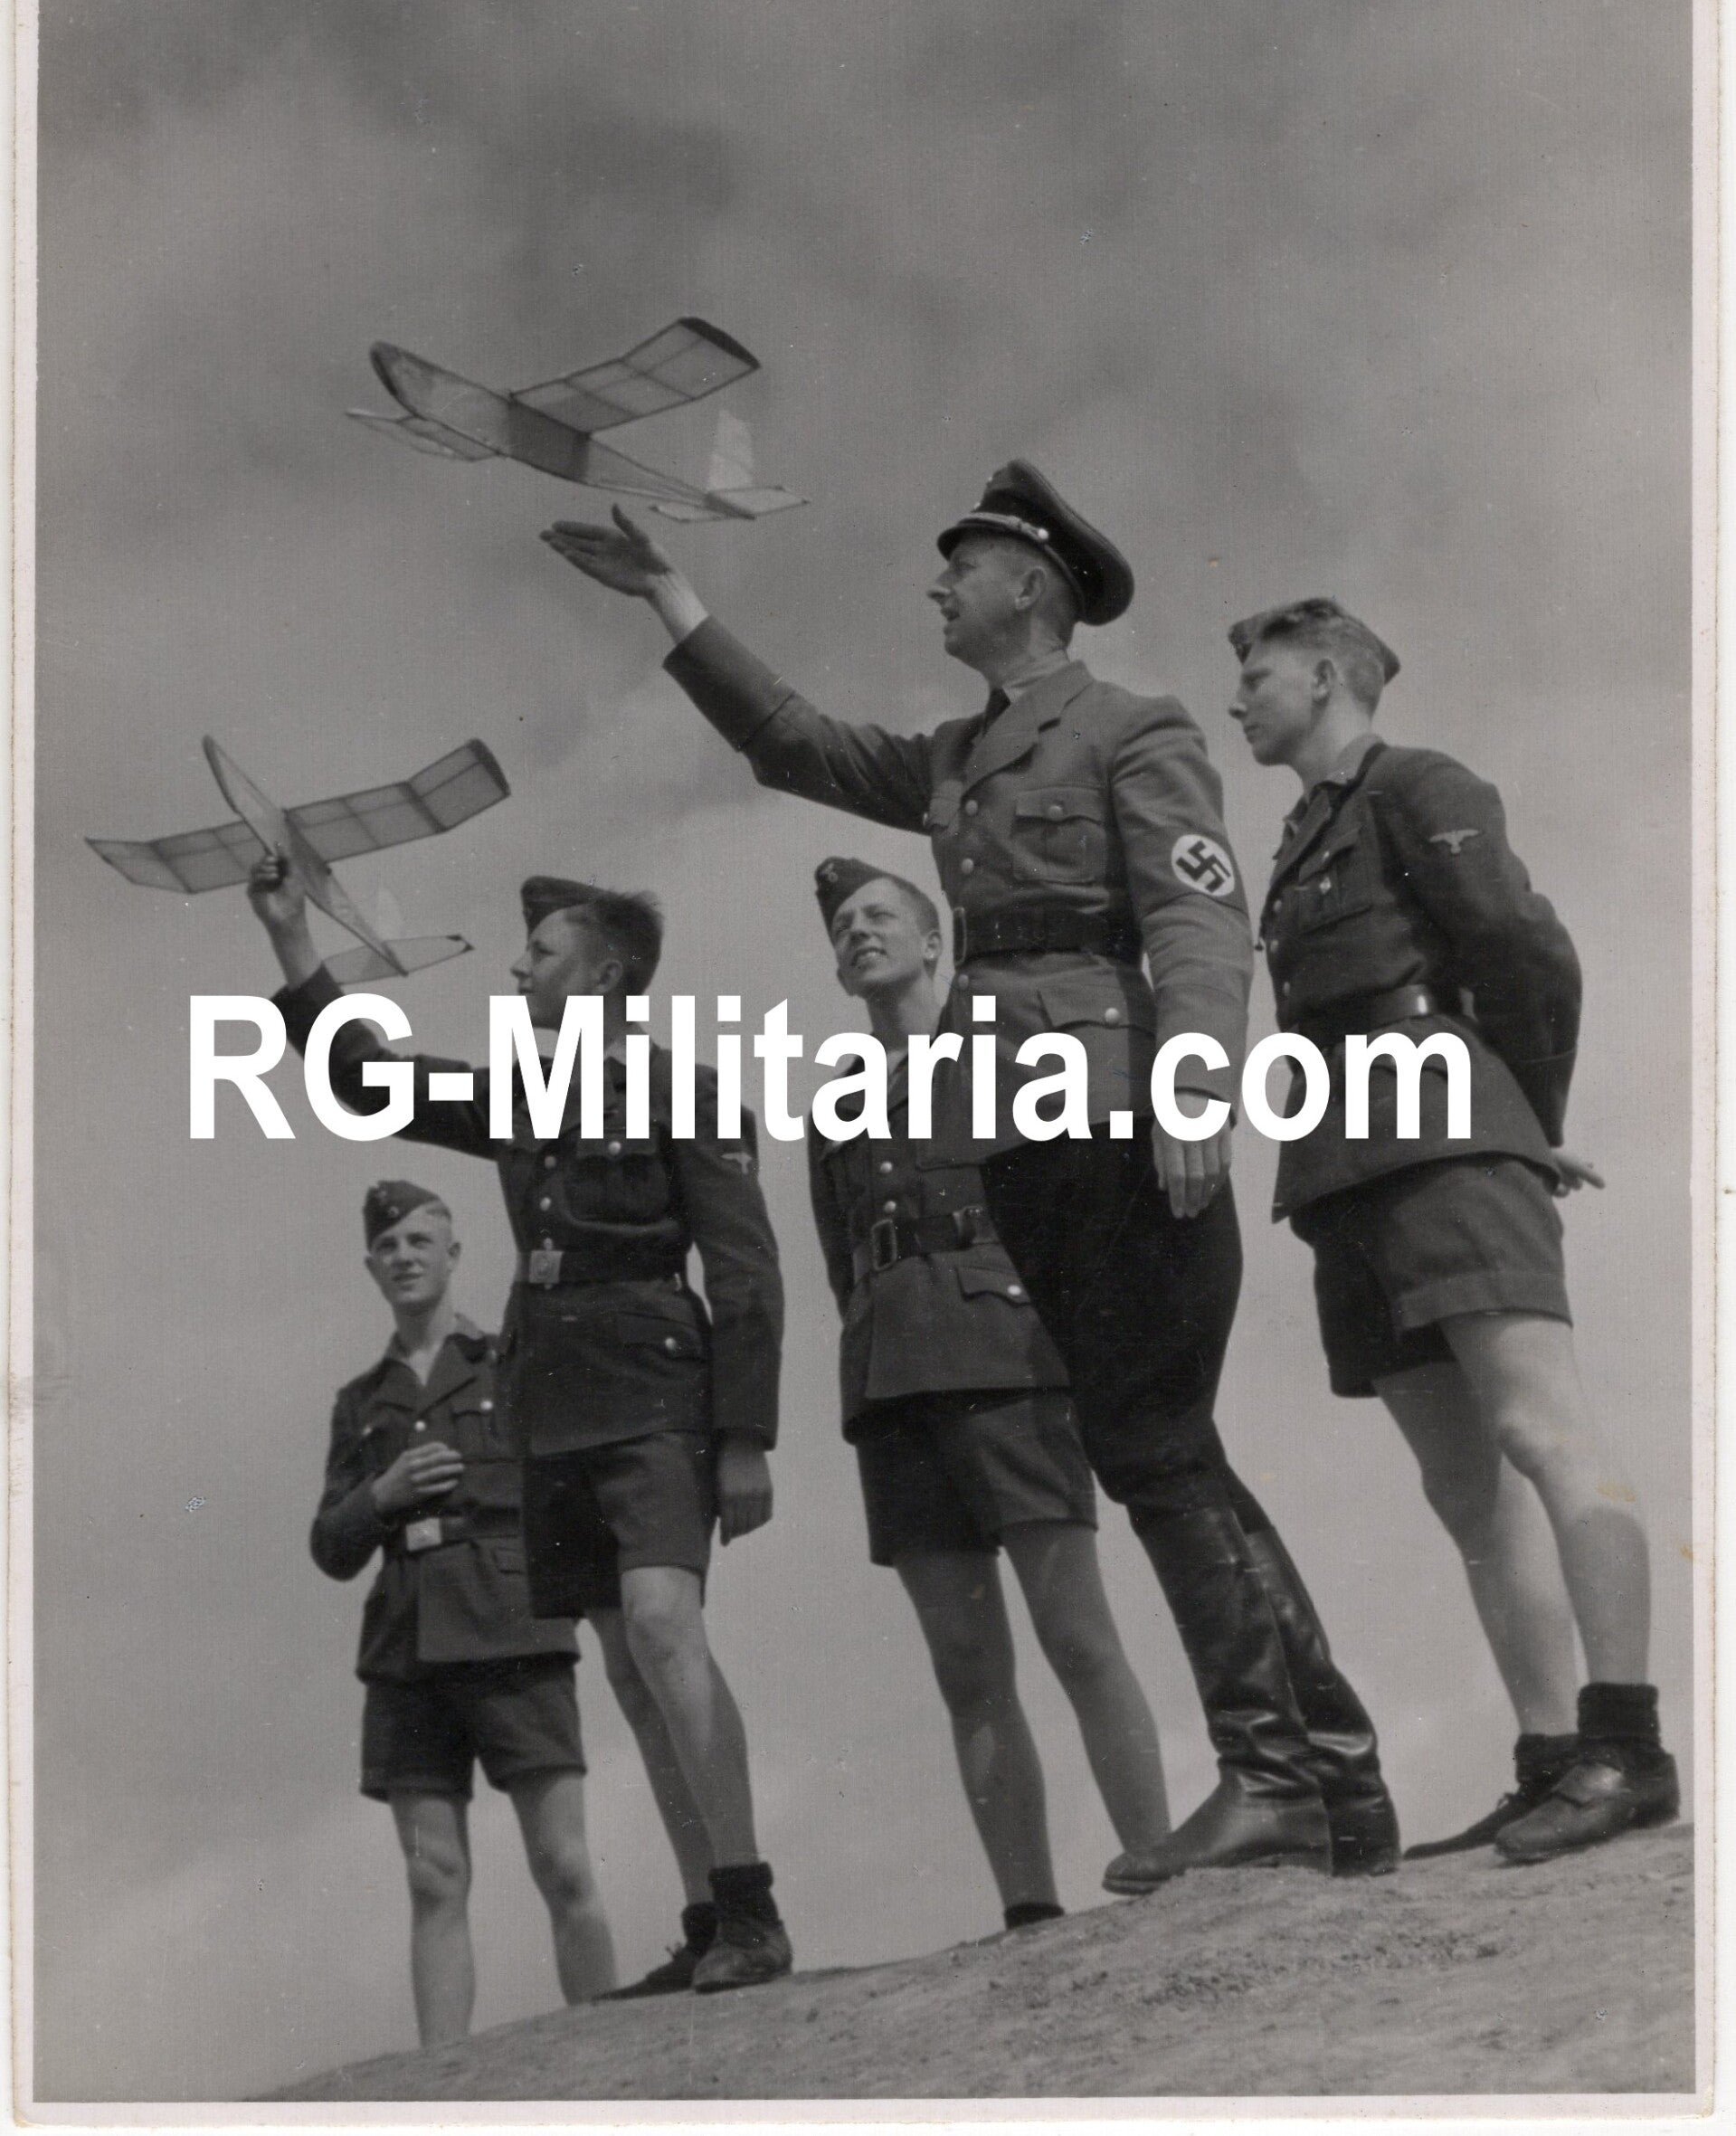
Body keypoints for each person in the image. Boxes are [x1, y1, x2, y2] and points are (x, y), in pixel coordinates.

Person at [544, 463, 1396, 1883]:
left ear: (1031, 587)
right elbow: (796, 744)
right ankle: (1330, 1773)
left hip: (1114, 1107)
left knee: (1157, 1451)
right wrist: (671, 598)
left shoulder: (1132, 726)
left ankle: (1278, 1771)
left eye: (963, 562)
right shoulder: (953, 756)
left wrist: (1192, 1080)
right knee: (1157, 1452)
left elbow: (1193, 909)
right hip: (1019, 1132)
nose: (937, 584)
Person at [253, 857, 793, 1992]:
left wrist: (744, 1436)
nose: (515, 966)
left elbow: (744, 1271)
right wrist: (292, 941)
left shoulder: (687, 1091)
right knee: (627, 1663)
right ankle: (709, 1923)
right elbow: (373, 1083)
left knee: (660, 1624)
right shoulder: (522, 1091)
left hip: (653, 1385)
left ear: (603, 976)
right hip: (551, 1398)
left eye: (539, 953)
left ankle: (752, 1903)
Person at [1226, 594, 1677, 1861]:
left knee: (1541, 1429)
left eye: (1255, 674)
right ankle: (1545, 1758)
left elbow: (1525, 949)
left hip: (1442, 1128)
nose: (1236, 698)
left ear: (1322, 675)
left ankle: (1625, 1747)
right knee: (1459, 1485)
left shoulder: (1416, 782)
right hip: (1342, 1159)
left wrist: (1522, 1116)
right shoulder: (1302, 830)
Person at [811, 852, 1173, 1923]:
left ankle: (1157, 1864)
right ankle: (1026, 1906)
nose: (855, 932)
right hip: (893, 1378)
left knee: (1073, 1631)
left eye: (877, 915)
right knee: (964, 1663)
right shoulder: (836, 1105)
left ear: (934, 941)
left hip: (1010, 1359)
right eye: (840, 926)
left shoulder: (1011, 1051)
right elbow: (843, 1260)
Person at [311, 1179, 615, 2042]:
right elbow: (330, 1545)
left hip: (513, 1622)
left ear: (452, 1253)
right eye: (387, 1248)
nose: (403, 1257)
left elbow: (569, 1485)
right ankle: (441, 2083)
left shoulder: (508, 1359)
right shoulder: (360, 1402)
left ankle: (611, 2053)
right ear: (370, 1268)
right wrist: (383, 1493)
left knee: (561, 1863)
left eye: (418, 1241)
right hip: (407, 1645)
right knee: (433, 1876)